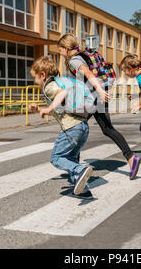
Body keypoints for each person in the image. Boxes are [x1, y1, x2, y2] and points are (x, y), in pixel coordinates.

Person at [57, 34, 141, 180]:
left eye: (60, 49)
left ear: (65, 48)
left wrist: (100, 91)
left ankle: (75, 168)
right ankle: (131, 158)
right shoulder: (83, 56)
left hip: (90, 99)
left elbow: (88, 73)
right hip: (97, 98)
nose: (59, 52)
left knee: (74, 129)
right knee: (107, 129)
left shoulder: (75, 60)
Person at [29, 56, 94, 199]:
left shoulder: (49, 86)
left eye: (35, 77)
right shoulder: (59, 82)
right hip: (83, 127)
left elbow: (62, 94)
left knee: (56, 158)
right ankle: (84, 190)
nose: (34, 82)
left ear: (43, 75)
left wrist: (48, 109)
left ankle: (81, 170)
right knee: (70, 158)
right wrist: (41, 109)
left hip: (71, 129)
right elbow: (60, 108)